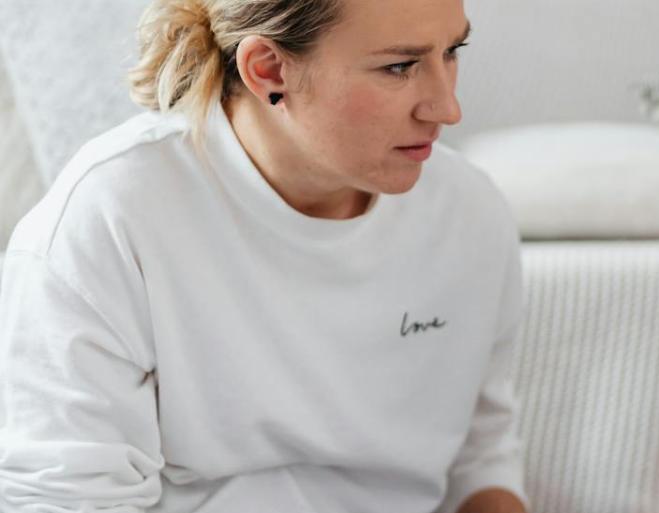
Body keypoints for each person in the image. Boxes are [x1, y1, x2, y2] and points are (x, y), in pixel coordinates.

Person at [0, 0, 528, 512]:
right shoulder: (113, 217)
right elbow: (67, 497)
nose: (447, 108)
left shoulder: (469, 214)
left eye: (452, 51)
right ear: (269, 69)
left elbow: (479, 457)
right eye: (399, 66)